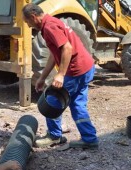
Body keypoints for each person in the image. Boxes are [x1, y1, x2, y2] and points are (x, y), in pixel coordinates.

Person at [22, 3, 99, 149]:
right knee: (77, 105)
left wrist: (61, 75)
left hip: (76, 71)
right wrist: (42, 77)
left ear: (33, 17)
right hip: (86, 67)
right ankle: (90, 139)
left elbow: (67, 48)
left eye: (27, 22)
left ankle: (54, 136)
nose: (28, 25)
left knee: (51, 101)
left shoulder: (49, 26)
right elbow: (54, 54)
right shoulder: (51, 22)